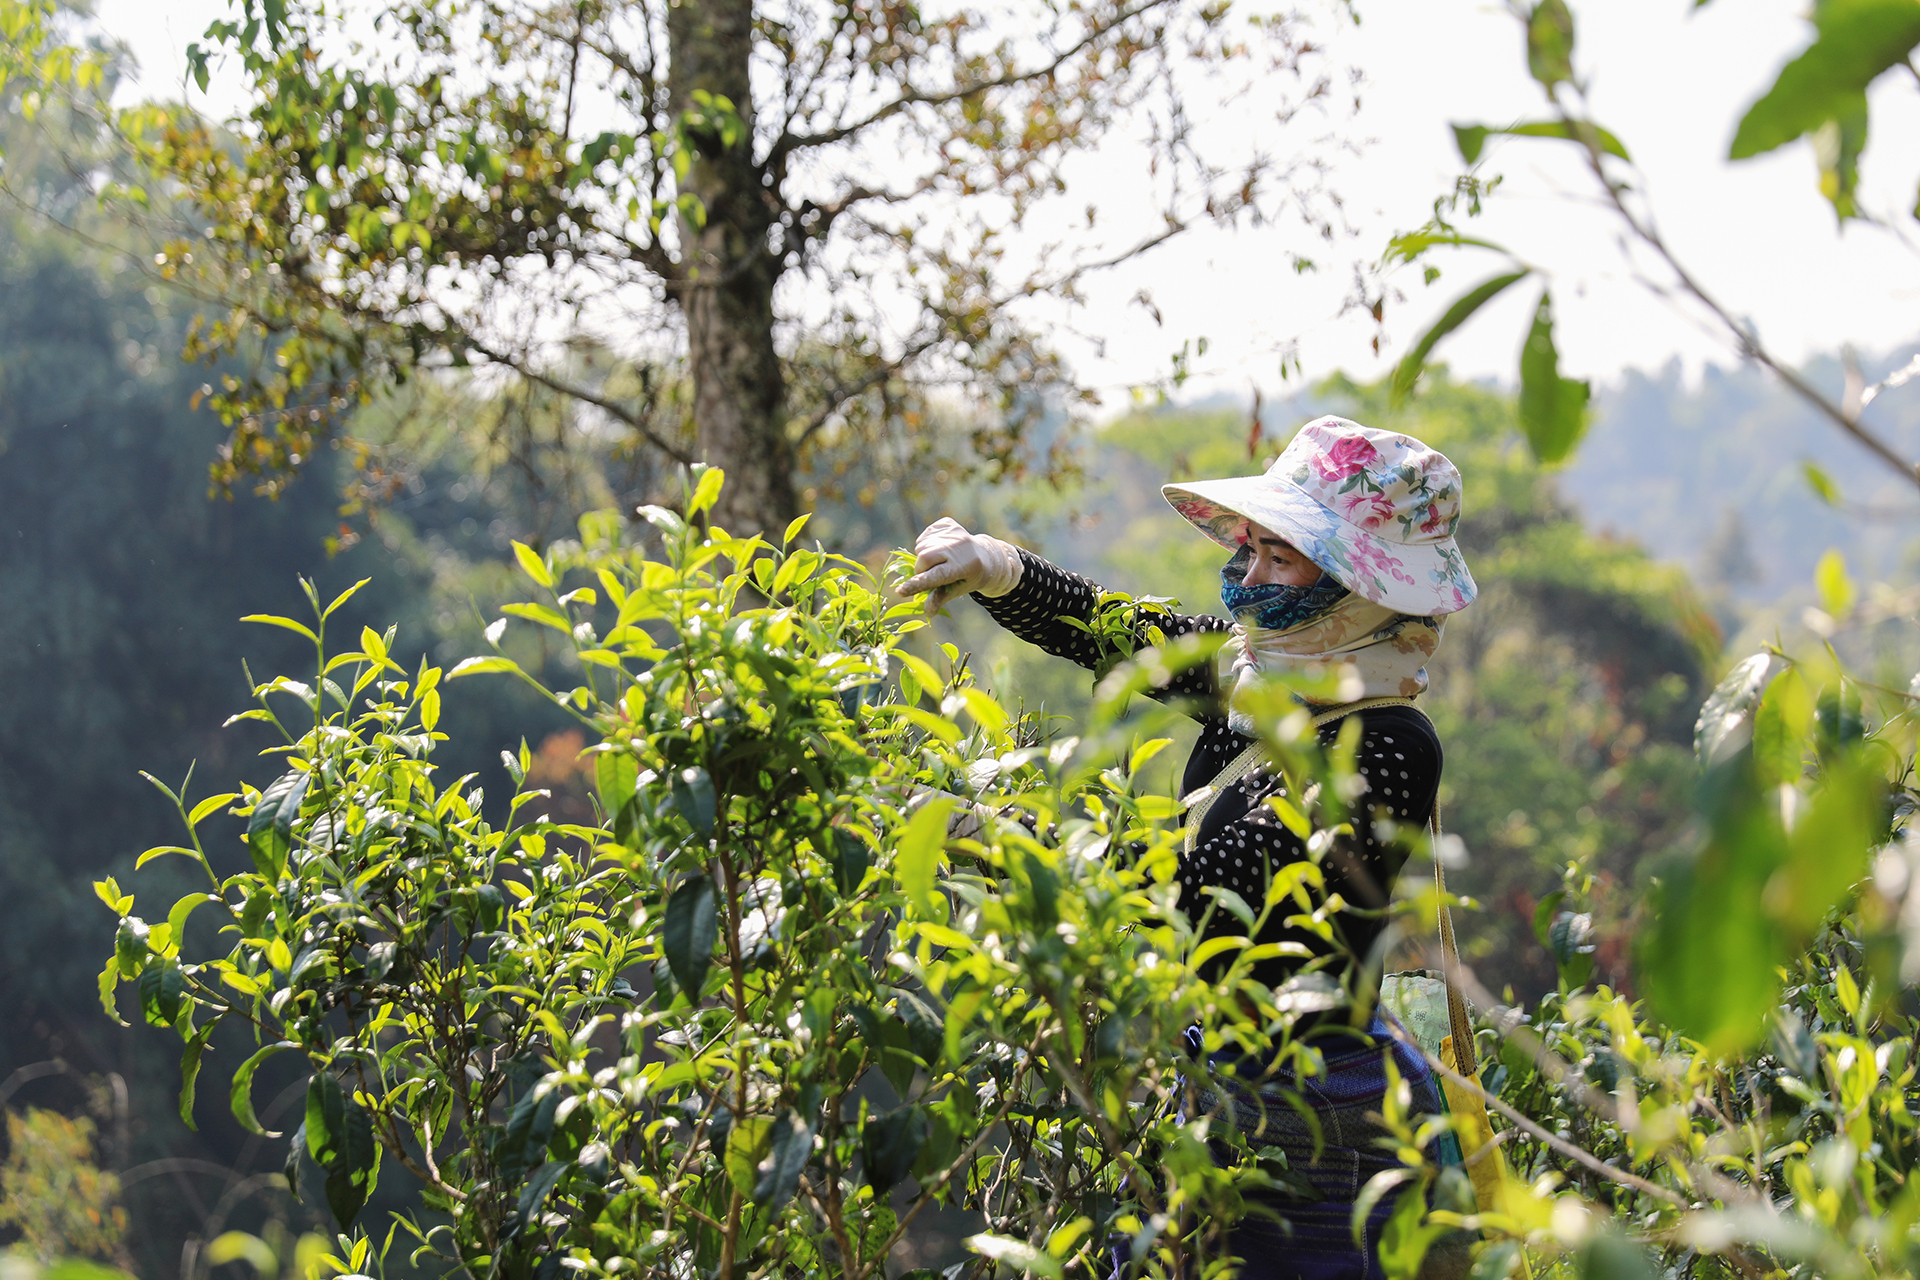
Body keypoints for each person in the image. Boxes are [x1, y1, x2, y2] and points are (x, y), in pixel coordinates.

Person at [897, 416, 1478, 1280]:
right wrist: (997, 566)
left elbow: (1212, 889)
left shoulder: (1388, 743)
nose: (1249, 581)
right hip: (1215, 1088)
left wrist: (994, 835)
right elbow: (1126, 634)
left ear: (1362, 588)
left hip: (1317, 1124)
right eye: (1250, 553)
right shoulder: (1261, 679)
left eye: (1280, 561)